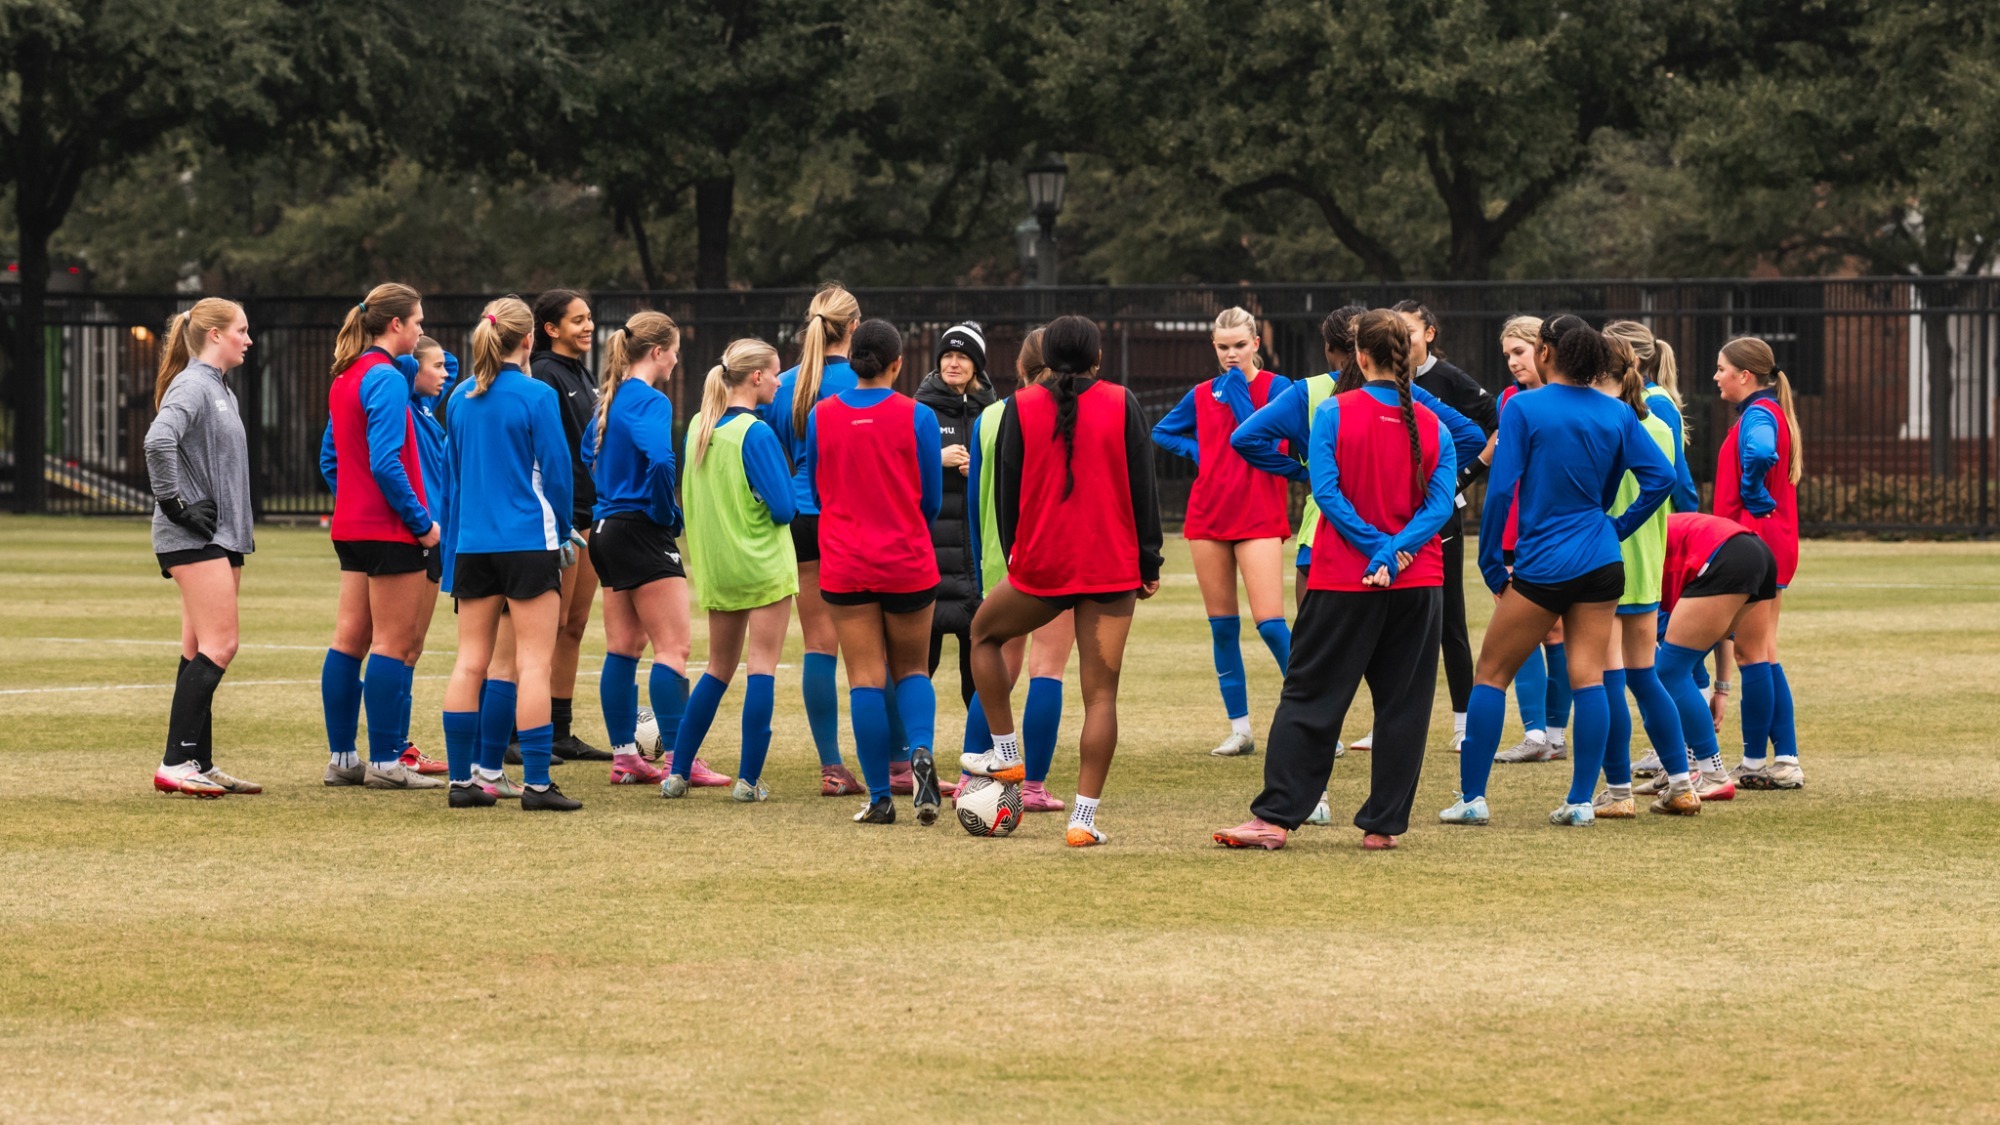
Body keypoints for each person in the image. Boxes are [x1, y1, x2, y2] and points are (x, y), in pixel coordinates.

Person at [1213, 310, 1458, 851]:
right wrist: (1394, 551)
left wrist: (1376, 550)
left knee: (1309, 697)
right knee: (1404, 705)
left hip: (1344, 578)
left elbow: (1326, 492)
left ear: (1360, 357)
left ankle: (1275, 818)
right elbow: (1440, 506)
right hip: (1418, 582)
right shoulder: (1433, 423)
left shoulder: (1333, 411)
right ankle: (1383, 826)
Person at [1443, 316, 1675, 828]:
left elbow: (1502, 489)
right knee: (1589, 678)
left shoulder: (1524, 407)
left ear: (1547, 352)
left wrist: (1490, 560)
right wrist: (1615, 523)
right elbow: (1662, 477)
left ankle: (1473, 798)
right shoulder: (1617, 412)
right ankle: (1580, 801)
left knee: (1491, 674)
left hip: (1545, 563)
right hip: (1601, 560)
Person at [964, 315, 1164, 848]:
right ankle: (1082, 820)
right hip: (1111, 566)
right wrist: (1149, 563)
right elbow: (1144, 488)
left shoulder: (1020, 406)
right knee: (1101, 698)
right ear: (1098, 358)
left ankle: (1007, 754)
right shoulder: (1123, 402)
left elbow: (1006, 490)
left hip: (1042, 565)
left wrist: (1016, 551)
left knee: (982, 635)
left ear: (1045, 359)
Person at [436, 296, 580, 812]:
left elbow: (453, 478)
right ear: (529, 339)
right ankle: (538, 785)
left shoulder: (459, 396)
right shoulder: (538, 395)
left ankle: (463, 781)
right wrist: (564, 528)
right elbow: (558, 474)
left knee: (469, 662)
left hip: (473, 544)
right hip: (527, 542)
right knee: (534, 664)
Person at [804, 318, 944, 825]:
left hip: (846, 561)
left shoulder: (822, 415)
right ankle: (920, 750)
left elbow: (818, 491)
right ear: (897, 364)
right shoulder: (918, 415)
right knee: (912, 670)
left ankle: (881, 798)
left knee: (864, 677)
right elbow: (931, 498)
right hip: (907, 558)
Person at [580, 311, 716, 790]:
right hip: (639, 528)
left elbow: (588, 454)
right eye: (675, 351)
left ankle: (625, 758)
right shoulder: (650, 400)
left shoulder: (609, 398)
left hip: (605, 529)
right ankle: (680, 759)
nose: (677, 360)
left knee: (623, 648)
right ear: (657, 352)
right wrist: (663, 512)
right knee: (673, 648)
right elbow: (660, 459)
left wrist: (614, 490)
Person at [1150, 307, 1294, 757]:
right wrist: (1200, 452)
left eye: (1240, 345)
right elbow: (1161, 432)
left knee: (1271, 625)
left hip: (1259, 514)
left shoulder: (1279, 388)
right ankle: (1240, 729)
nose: (1232, 354)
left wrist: (1237, 394)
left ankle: (1315, 723)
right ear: (1214, 347)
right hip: (1208, 516)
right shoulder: (1200, 393)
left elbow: (1271, 442)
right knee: (1223, 628)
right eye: (1223, 347)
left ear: (1256, 344)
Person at [320, 283, 443, 791]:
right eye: (417, 322)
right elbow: (387, 462)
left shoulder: (346, 375)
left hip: (350, 526)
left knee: (348, 641)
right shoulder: (387, 379)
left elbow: (333, 459)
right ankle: (388, 761)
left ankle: (343, 757)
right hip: (390, 529)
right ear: (396, 324)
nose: (422, 330)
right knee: (394, 644)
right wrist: (422, 523)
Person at [663, 338, 797, 802]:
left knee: (716, 669)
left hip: (720, 566)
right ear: (756, 377)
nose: (780, 382)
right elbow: (784, 508)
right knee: (761, 668)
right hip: (763, 565)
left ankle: (677, 774)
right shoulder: (755, 432)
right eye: (775, 373)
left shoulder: (699, 426)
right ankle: (747, 782)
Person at [144, 297, 261, 798]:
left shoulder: (219, 388)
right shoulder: (193, 384)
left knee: (197, 650)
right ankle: (175, 763)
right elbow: (157, 441)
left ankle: (197, 762)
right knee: (222, 645)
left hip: (221, 538)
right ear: (215, 334)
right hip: (194, 537)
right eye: (241, 330)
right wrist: (174, 506)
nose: (248, 339)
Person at [960, 326, 1075, 813]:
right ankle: (1033, 787)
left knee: (997, 665)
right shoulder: (1075, 411)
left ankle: (969, 778)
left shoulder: (991, 415)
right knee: (1047, 668)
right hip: (1059, 556)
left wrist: (982, 554)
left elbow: (976, 498)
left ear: (1020, 368)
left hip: (1000, 554)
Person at [1589, 335, 1700, 818]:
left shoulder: (1602, 423)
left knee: (1609, 679)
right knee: (1645, 676)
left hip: (1607, 561)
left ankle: (1618, 793)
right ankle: (1682, 784)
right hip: (1649, 562)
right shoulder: (1658, 422)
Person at [762, 282, 865, 795]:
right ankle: (895, 761)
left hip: (801, 517)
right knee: (872, 647)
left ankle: (832, 766)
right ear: (854, 327)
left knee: (819, 644)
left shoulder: (784, 383)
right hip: (850, 515)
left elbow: (769, 448)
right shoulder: (863, 381)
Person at [1390, 301, 1499, 753]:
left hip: (1440, 515)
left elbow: (1496, 428)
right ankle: (1387, 721)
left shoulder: (1450, 381)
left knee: (1449, 618)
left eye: (1410, 331)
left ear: (1429, 333)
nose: (1403, 340)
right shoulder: (1381, 383)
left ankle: (1463, 721)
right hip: (1392, 514)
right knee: (1392, 620)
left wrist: (1459, 477)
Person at [1712, 336, 1806, 790]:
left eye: (1721, 369)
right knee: (1764, 651)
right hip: (1773, 541)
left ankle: (1752, 763)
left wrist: (1752, 492)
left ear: (1744, 375)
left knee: (1749, 653)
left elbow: (1761, 451)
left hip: (1753, 543)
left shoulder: (1758, 414)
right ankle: (1785, 760)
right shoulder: (1770, 410)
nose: (1716, 377)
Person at [529, 287, 610, 763]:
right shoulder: (544, 373)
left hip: (590, 512)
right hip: (561, 517)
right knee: (551, 625)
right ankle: (522, 729)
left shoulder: (582, 372)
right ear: (551, 328)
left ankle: (560, 731)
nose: (588, 326)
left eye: (589, 318)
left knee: (574, 625)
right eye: (577, 320)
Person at [1651, 511, 1782, 801]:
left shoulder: (1620, 553)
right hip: (1756, 552)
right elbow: (1722, 634)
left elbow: (1660, 640)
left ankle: (1711, 773)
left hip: (1725, 556)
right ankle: (1694, 768)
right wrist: (1721, 690)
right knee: (1682, 664)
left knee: (1669, 671)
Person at [1487, 314, 1568, 764]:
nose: (1513, 362)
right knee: (1520, 632)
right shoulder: (1508, 400)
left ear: (1543, 349)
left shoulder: (1570, 397)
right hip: (1513, 534)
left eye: (1519, 352)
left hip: (1552, 531)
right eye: (1506, 356)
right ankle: (1535, 732)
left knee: (1557, 632)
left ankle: (1554, 734)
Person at [914, 323, 996, 738]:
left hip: (976, 563)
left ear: (977, 365)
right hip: (928, 559)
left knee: (979, 670)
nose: (953, 363)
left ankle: (981, 752)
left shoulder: (993, 412)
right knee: (918, 668)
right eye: (947, 355)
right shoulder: (919, 410)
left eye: (962, 356)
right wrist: (935, 458)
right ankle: (910, 753)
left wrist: (978, 470)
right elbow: (896, 470)